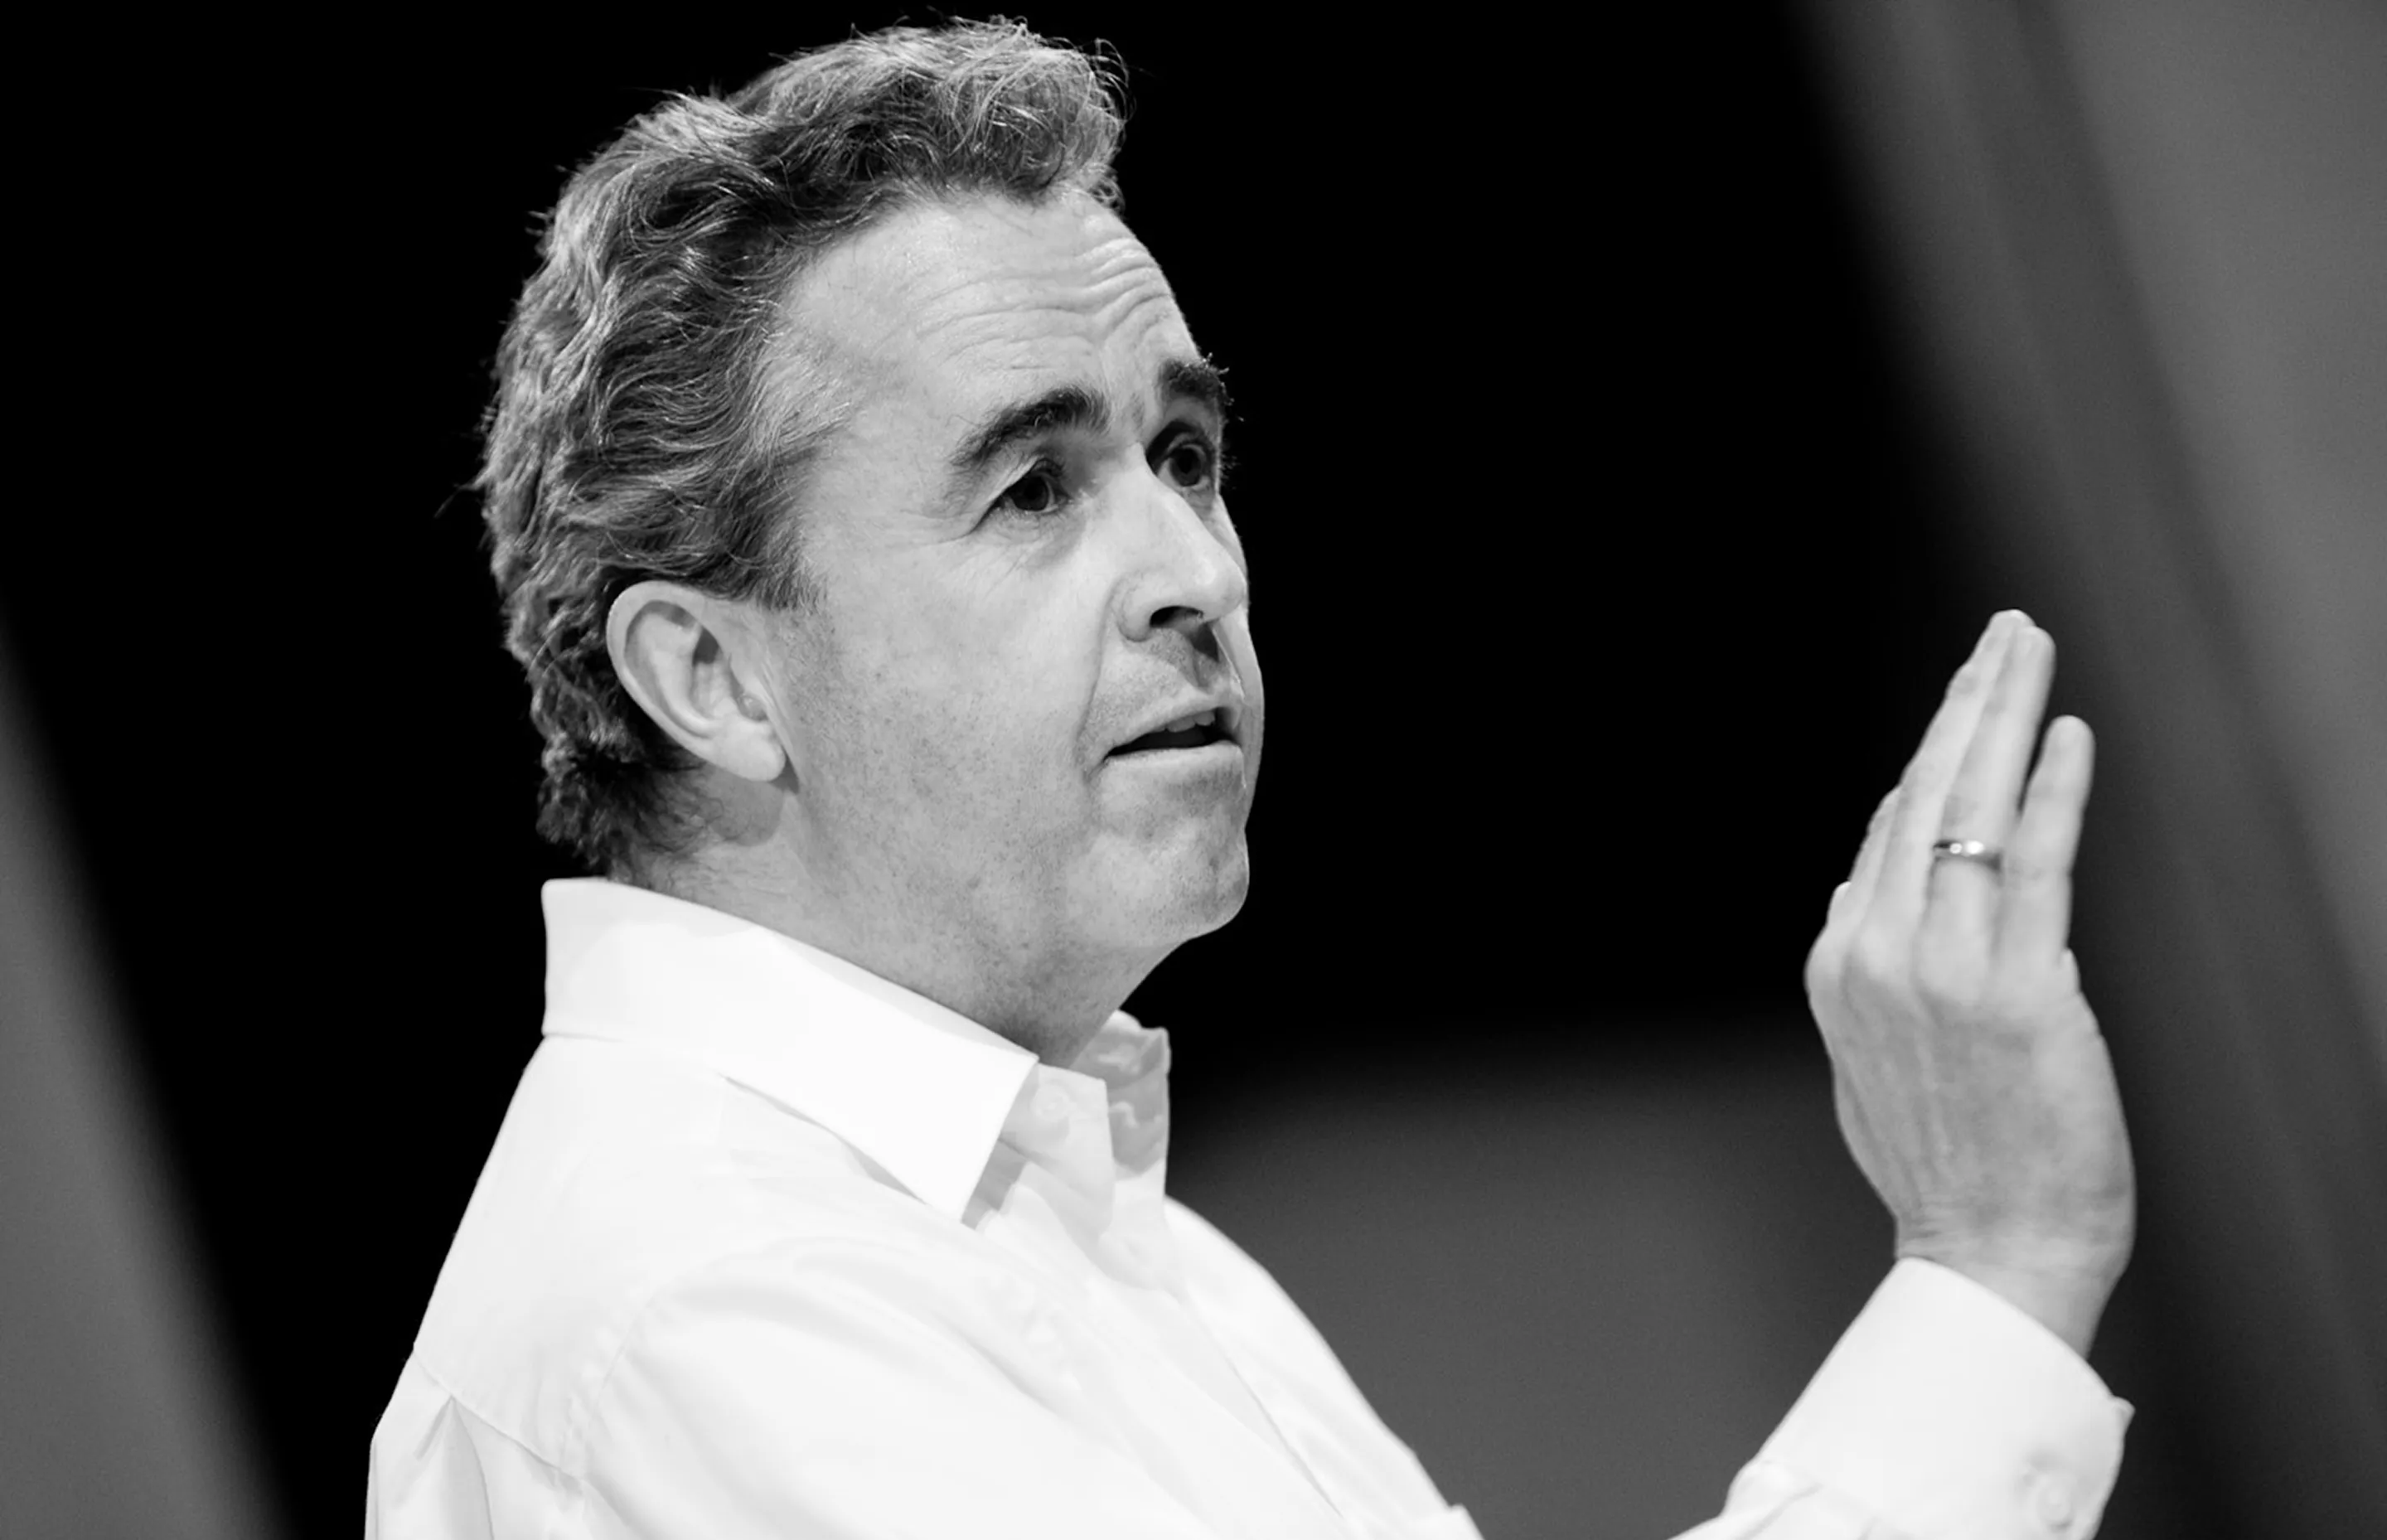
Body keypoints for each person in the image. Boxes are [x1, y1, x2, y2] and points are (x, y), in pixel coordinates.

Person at [366, 22, 2137, 1538]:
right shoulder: (701, 1303)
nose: (1194, 571)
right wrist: (1990, 1260)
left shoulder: (1079, 1222)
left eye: (1185, 455)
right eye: (1032, 488)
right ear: (713, 676)